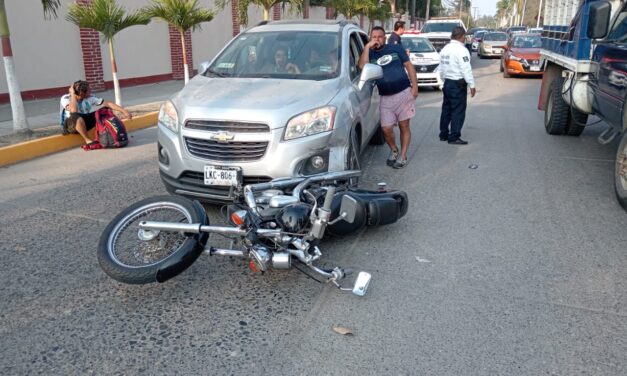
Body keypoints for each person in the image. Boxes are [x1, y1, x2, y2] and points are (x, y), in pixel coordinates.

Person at [358, 26, 418, 169]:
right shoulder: (369, 54)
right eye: (374, 37)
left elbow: (409, 66)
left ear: (385, 38)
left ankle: (402, 156)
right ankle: (394, 149)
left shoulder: (395, 49)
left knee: (404, 126)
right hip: (385, 97)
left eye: (380, 36)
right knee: (386, 129)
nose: (377, 39)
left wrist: (415, 86)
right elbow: (362, 67)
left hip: (403, 93)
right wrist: (367, 47)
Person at [59, 80, 132, 149]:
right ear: (82, 93)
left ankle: (108, 133)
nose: (90, 91)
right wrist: (72, 94)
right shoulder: (66, 98)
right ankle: (88, 140)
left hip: (83, 121)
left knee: (103, 110)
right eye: (88, 90)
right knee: (75, 116)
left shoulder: (89, 98)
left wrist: (124, 111)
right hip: (69, 126)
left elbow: (107, 103)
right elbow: (73, 110)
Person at [438, 26, 476, 145]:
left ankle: (443, 134)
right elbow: (466, 69)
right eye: (464, 36)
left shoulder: (445, 49)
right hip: (457, 84)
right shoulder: (461, 50)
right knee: (458, 110)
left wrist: (443, 80)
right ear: (461, 36)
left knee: (446, 110)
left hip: (448, 82)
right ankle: (454, 136)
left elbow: (441, 67)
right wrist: (472, 84)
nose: (465, 38)